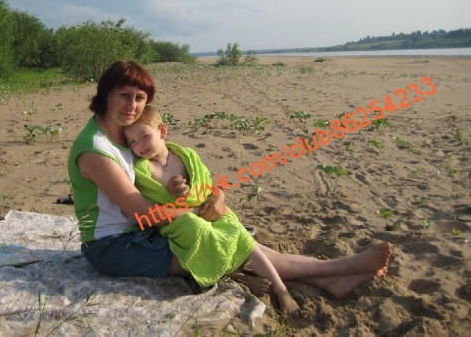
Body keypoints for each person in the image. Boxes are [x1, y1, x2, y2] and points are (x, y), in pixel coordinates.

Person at [67, 60, 392, 314]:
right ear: (106, 94)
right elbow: (141, 211)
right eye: (124, 95)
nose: (133, 106)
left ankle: (331, 280)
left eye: (140, 98)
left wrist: (217, 196)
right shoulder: (96, 150)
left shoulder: (124, 133)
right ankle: (340, 269)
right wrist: (199, 211)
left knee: (233, 240)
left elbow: (190, 176)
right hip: (115, 246)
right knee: (229, 247)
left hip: (144, 234)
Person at [123, 105, 300, 313]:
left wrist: (217, 197)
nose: (139, 146)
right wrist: (170, 192)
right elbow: (151, 199)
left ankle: (281, 289)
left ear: (162, 131)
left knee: (238, 233)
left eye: (144, 136)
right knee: (197, 229)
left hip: (207, 210)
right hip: (179, 222)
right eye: (132, 142)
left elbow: (206, 184)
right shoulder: (142, 170)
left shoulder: (187, 156)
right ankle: (237, 275)